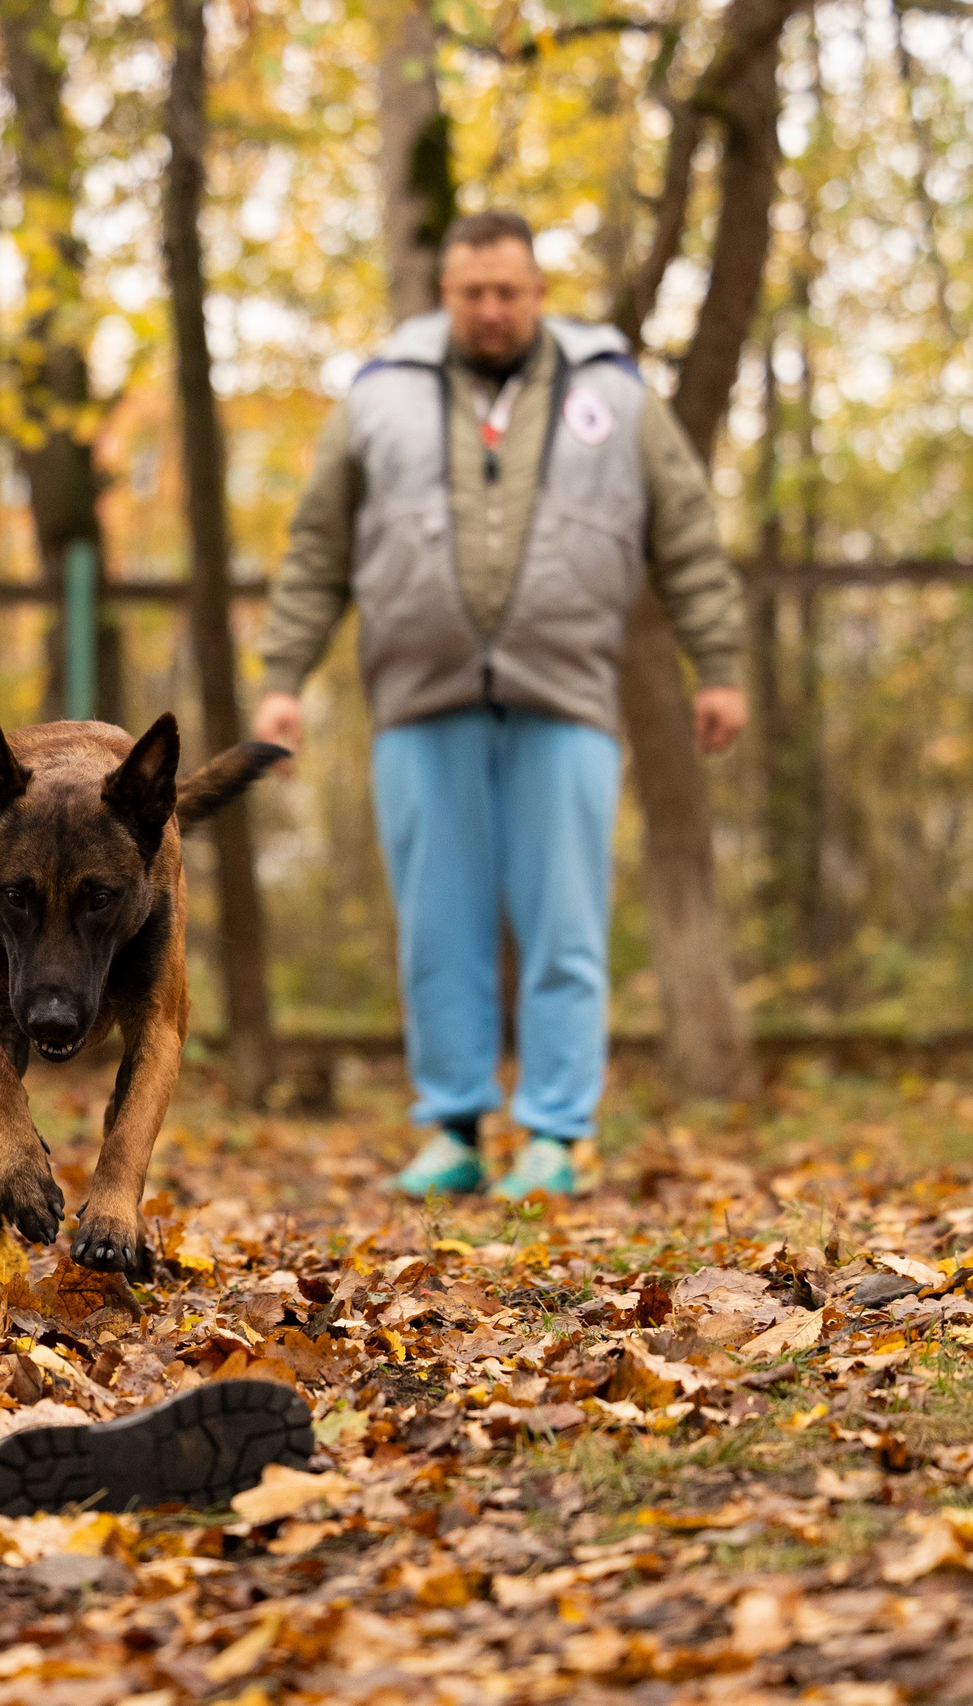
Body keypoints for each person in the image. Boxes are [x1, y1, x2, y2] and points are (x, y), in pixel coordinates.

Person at [250, 211, 747, 1203]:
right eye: (471, 291)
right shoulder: (378, 398)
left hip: (565, 697)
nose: (490, 308)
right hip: (418, 702)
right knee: (438, 925)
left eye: (508, 291)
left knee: (565, 920)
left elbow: (685, 531)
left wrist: (719, 662)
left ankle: (556, 1134)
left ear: (537, 291)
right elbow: (316, 549)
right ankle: (453, 1127)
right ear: (445, 295)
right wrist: (282, 679)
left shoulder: (610, 391)